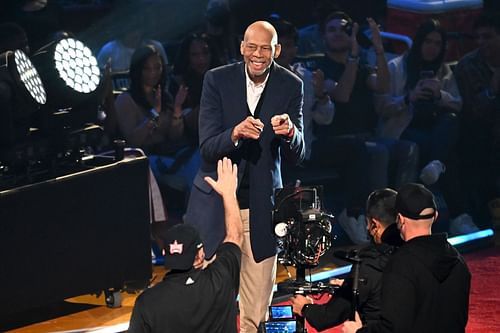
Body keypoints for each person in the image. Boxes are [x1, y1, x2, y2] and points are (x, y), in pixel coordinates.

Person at [184, 20, 305, 333]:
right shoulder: (216, 80)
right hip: (216, 205)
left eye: (266, 48)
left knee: (256, 311)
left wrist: (291, 132)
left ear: (276, 50)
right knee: (206, 304)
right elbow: (207, 148)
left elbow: (301, 152)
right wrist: (234, 134)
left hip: (260, 209)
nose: (258, 54)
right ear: (241, 47)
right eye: (252, 47)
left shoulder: (291, 85)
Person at [375, 18, 477, 236]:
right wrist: (408, 98)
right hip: (403, 127)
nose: (432, 48)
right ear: (419, 42)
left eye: (437, 43)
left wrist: (440, 94)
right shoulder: (397, 67)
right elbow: (382, 108)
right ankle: (459, 215)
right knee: (447, 157)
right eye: (428, 41)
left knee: (450, 121)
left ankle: (437, 166)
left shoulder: (443, 71)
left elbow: (458, 104)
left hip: (435, 128)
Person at [128, 157, 243, 333]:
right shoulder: (221, 279)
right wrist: (228, 194)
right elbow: (235, 236)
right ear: (200, 255)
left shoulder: (147, 303)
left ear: (166, 256)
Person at [343, 183, 471, 333]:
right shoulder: (458, 260)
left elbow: (393, 328)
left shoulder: (401, 264)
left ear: (400, 219)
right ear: (435, 216)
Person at [290, 188, 403, 331]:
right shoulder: (412, 254)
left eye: (367, 222)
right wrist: (350, 284)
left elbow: (327, 317)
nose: (367, 228)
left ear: (374, 224)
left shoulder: (368, 265)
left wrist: (305, 307)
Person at [114, 44, 200, 194]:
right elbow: (133, 140)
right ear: (138, 70)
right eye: (147, 68)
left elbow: (174, 136)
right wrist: (154, 113)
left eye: (157, 67)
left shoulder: (165, 96)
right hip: (146, 159)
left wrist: (177, 111)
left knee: (201, 157)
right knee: (192, 174)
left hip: (171, 152)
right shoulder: (125, 100)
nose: (153, 73)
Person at [454, 11, 500, 230]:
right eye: (478, 37)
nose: (482, 43)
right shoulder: (468, 65)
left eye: (488, 37)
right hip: (479, 133)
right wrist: (494, 85)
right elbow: (476, 111)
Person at [270, 18, 335, 161]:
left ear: (295, 50)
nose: (280, 51)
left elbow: (325, 119)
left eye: (287, 46)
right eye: (276, 46)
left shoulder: (306, 77)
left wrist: (321, 94)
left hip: (299, 156)